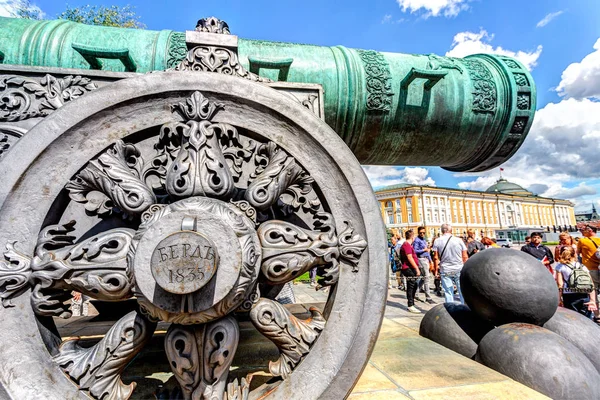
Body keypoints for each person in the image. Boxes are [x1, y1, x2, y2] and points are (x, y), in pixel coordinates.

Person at [555, 246, 597, 318]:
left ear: (561, 254)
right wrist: (593, 300)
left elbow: (560, 284)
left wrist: (559, 299)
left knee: (573, 319)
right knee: (586, 319)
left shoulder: (560, 266)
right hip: (584, 294)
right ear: (574, 254)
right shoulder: (582, 266)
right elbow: (591, 284)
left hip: (569, 295)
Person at [432, 224, 468, 304]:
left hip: (445, 269)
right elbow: (465, 256)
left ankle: (451, 310)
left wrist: (436, 270)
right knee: (462, 290)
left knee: (448, 292)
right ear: (451, 230)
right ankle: (465, 309)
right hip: (459, 268)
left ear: (442, 231)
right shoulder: (458, 240)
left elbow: (435, 257)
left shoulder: (437, 241)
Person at [577, 225, 600, 321]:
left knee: (593, 291)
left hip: (590, 269)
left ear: (590, 231)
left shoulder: (582, 241)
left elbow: (577, 253)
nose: (581, 231)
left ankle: (597, 315)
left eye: (584, 230)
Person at [400, 230, 421, 313]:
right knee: (411, 286)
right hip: (408, 268)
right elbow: (409, 257)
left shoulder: (408, 245)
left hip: (409, 268)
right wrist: (416, 268)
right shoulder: (407, 245)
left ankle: (411, 303)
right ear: (413, 237)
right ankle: (410, 305)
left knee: (414, 285)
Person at [413, 226, 436, 304]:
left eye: (423, 232)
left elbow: (427, 251)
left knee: (423, 279)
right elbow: (414, 250)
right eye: (421, 233)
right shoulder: (417, 240)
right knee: (426, 278)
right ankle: (428, 297)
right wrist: (424, 250)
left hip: (426, 259)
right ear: (418, 232)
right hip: (421, 259)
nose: (422, 234)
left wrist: (430, 260)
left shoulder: (424, 240)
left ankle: (415, 293)